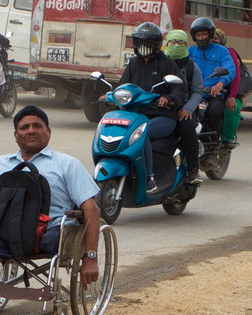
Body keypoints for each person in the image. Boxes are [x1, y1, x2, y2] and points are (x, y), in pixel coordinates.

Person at [0, 105, 101, 287]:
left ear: (48, 132)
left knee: (52, 241)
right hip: (10, 232)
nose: (31, 131)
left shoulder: (67, 164)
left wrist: (90, 258)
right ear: (16, 135)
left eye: (37, 126)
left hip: (51, 232)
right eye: (24, 127)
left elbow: (91, 209)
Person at [100, 22, 189, 193]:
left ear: (156, 44)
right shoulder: (133, 64)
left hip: (161, 116)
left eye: (147, 44)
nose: (143, 47)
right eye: (140, 43)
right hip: (136, 115)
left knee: (142, 133)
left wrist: (168, 98)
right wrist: (111, 96)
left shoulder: (167, 63)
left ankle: (150, 178)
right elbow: (123, 87)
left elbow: (180, 88)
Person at [187, 17, 236, 147]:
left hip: (214, 95)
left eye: (204, 34)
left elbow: (229, 69)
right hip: (194, 95)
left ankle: (214, 145)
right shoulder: (190, 52)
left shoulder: (222, 51)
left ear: (210, 34)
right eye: (198, 35)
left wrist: (220, 84)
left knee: (214, 112)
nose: (201, 37)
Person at [164, 29, 204, 185]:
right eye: (173, 42)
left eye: (180, 43)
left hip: (185, 108)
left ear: (186, 45)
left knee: (187, 127)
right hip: (163, 106)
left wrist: (187, 109)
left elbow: (197, 92)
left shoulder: (192, 67)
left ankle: (193, 170)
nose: (176, 45)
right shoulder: (161, 63)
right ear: (167, 43)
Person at [212, 28, 243, 148]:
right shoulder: (203, 52)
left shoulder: (228, 53)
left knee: (231, 108)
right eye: (212, 39)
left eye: (216, 39)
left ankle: (227, 138)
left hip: (227, 93)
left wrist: (231, 97)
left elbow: (235, 77)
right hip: (208, 91)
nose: (214, 41)